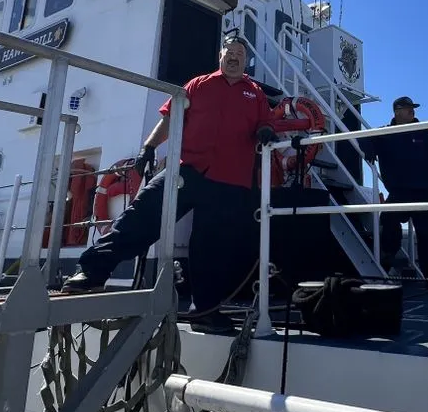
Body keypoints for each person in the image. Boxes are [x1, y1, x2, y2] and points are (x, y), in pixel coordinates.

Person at [62, 36, 278, 334]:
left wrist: (266, 131)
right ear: (220, 55)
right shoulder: (198, 85)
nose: (235, 57)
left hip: (230, 181)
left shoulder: (255, 94)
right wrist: (148, 148)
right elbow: (170, 117)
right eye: (230, 52)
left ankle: (205, 311)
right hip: (186, 170)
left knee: (213, 247)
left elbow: (265, 122)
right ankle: (91, 271)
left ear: (245, 60)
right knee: (142, 214)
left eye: (241, 54)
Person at [359, 96, 428, 282]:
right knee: (388, 220)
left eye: (413, 108)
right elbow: (364, 140)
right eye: (408, 108)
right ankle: (388, 259)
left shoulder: (426, 133)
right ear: (397, 111)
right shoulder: (385, 134)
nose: (412, 111)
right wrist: (368, 152)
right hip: (401, 191)